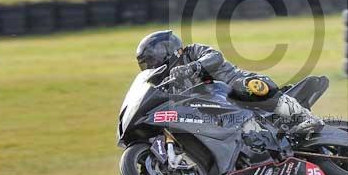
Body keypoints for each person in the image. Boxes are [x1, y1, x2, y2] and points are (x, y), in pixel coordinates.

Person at [135, 30, 323, 137]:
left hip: (236, 86)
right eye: (147, 63)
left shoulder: (191, 52)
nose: (152, 65)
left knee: (246, 86)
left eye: (153, 59)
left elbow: (215, 57)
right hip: (219, 110)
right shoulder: (169, 82)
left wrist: (193, 67)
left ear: (167, 50)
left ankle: (303, 117)